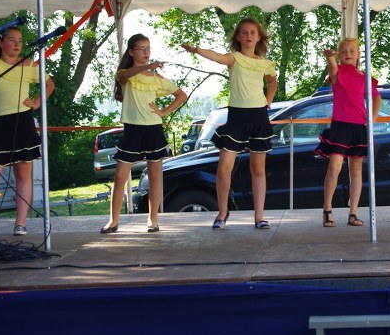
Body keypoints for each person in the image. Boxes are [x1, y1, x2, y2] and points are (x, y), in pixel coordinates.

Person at [182, 18, 277, 229]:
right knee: (224, 167)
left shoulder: (265, 62)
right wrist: (196, 50)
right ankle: (222, 213)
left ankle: (259, 217)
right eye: (244, 32)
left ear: (258, 37)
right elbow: (216, 57)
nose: (249, 35)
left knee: (258, 168)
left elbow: (272, 81)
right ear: (238, 37)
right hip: (237, 116)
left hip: (259, 116)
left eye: (252, 32)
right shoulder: (234, 58)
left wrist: (268, 101)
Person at [100, 34, 186, 233]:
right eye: (141, 48)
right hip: (132, 130)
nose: (146, 52)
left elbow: (181, 95)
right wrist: (148, 67)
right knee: (120, 176)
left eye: (148, 48)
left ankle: (152, 219)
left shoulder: (156, 78)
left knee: (155, 177)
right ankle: (113, 221)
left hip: (153, 129)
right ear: (131, 52)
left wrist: (163, 112)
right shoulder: (125, 74)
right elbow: (125, 75)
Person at [0, 26, 55, 237]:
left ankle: (20, 224)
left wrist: (37, 103)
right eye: (12, 39)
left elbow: (49, 84)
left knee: (23, 173)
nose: (17, 44)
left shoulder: (29, 65)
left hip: (23, 120)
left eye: (20, 40)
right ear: (0, 42)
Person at [314, 39, 381, 227]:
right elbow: (333, 70)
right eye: (343, 51)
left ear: (359, 54)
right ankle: (327, 209)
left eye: (352, 51)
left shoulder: (365, 77)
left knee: (356, 170)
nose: (348, 54)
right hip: (340, 126)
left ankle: (353, 213)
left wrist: (372, 119)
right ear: (339, 54)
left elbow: (377, 98)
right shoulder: (338, 72)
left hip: (359, 127)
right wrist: (331, 59)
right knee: (334, 166)